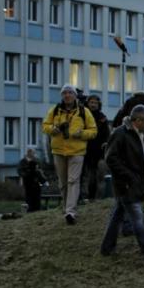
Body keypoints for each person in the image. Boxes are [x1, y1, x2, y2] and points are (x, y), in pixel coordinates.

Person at [100, 105, 144, 262]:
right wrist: (128, 176)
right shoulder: (120, 134)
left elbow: (142, 153)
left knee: (117, 215)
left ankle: (106, 248)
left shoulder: (142, 134)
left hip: (134, 181)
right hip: (126, 183)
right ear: (138, 120)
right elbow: (110, 158)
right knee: (137, 217)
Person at [42, 84, 97, 224]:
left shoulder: (84, 111)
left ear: (75, 95)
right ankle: (67, 208)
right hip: (59, 151)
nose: (67, 95)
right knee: (63, 183)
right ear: (62, 96)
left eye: (70, 93)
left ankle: (70, 212)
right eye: (64, 93)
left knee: (73, 180)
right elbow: (45, 125)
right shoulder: (54, 110)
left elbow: (93, 131)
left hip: (77, 151)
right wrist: (52, 129)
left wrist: (82, 134)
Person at [83, 94, 110, 201]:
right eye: (91, 102)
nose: (93, 105)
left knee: (97, 176)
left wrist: (105, 143)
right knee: (84, 176)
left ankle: (95, 198)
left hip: (97, 151)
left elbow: (106, 134)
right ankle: (84, 197)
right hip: (84, 149)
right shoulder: (83, 115)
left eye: (95, 103)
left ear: (99, 105)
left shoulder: (102, 118)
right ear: (87, 103)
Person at [17, 148, 46, 212]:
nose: (34, 154)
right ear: (28, 153)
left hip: (36, 183)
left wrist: (40, 174)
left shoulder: (36, 161)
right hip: (28, 183)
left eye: (34, 153)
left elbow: (41, 171)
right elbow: (20, 171)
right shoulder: (23, 161)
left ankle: (36, 210)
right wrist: (27, 174)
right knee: (29, 198)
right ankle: (29, 210)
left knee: (36, 198)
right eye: (32, 152)